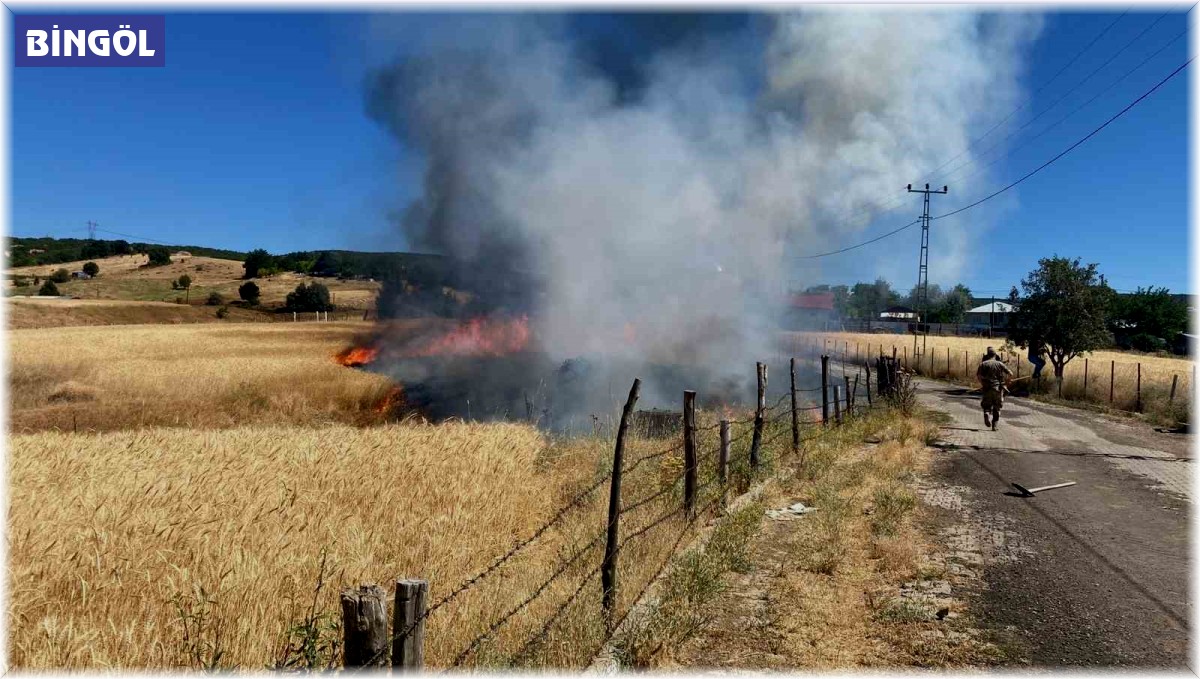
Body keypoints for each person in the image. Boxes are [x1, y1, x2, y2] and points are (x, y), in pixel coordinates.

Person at [976, 352, 1014, 431]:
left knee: (986, 405)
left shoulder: (983, 364)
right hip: (998, 389)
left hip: (987, 389)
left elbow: (979, 376)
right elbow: (1011, 373)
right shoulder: (999, 364)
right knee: (997, 407)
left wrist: (983, 383)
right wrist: (1008, 381)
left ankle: (986, 413)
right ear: (995, 356)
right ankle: (994, 426)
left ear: (987, 356)